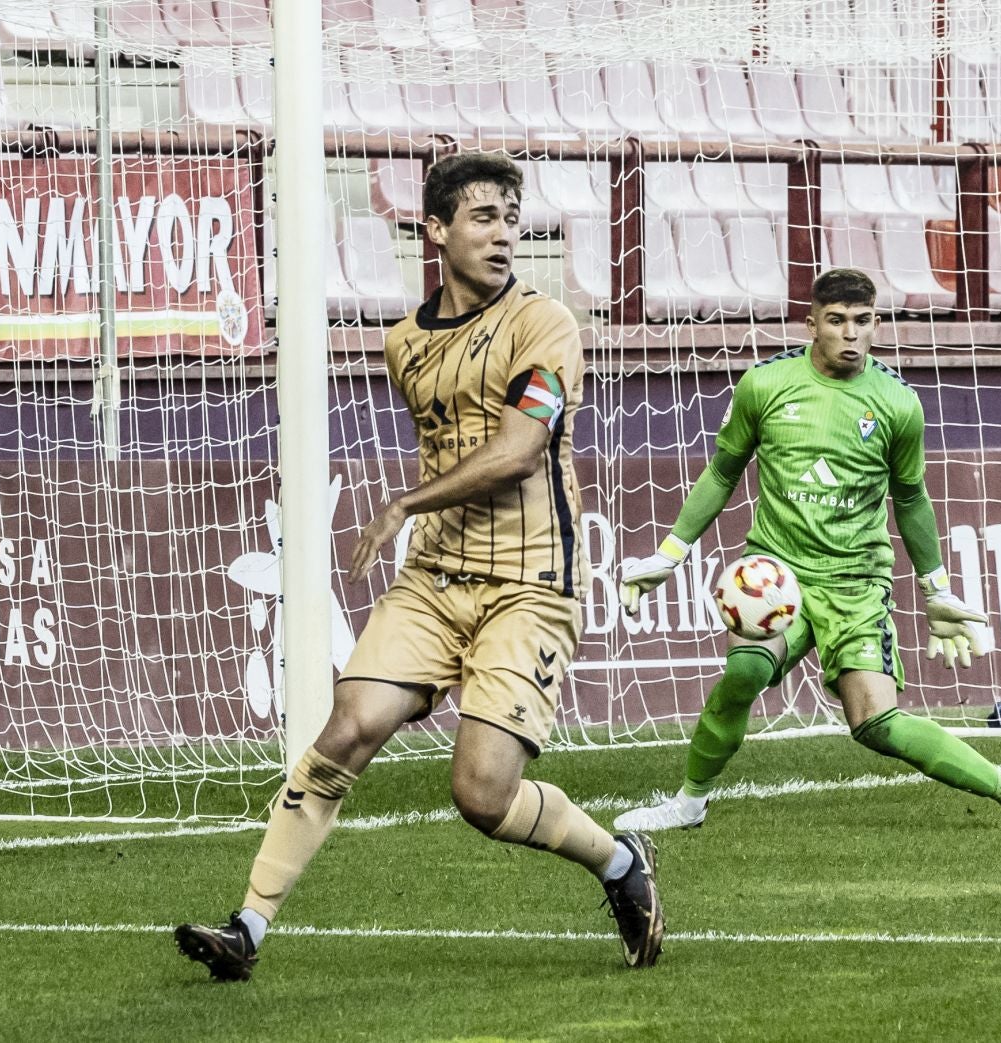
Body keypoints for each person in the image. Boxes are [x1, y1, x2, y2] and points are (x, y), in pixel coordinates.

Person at [175, 154, 663, 981]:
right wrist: (423, 523)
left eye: (512, 216)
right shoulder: (405, 344)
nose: (505, 232)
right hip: (436, 579)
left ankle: (620, 863)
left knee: (481, 795)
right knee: (344, 732)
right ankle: (248, 927)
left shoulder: (546, 325)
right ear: (434, 230)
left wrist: (404, 505)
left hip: (531, 580)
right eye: (483, 217)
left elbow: (519, 449)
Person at [614, 268, 1001, 833]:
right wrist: (669, 554)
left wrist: (937, 589)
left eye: (862, 321)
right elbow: (722, 472)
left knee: (877, 725)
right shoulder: (765, 385)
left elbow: (911, 499)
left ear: (876, 324)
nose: (850, 334)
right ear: (810, 323)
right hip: (776, 574)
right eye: (836, 321)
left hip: (857, 585)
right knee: (744, 671)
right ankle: (688, 803)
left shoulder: (897, 403)